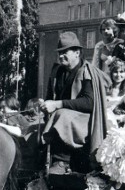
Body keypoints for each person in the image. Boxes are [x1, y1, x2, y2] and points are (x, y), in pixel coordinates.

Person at [41, 31, 109, 174]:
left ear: (77, 52)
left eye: (65, 52)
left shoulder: (87, 72)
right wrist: (45, 104)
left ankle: (62, 161)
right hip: (62, 120)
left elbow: (89, 102)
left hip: (84, 121)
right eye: (60, 52)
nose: (61, 56)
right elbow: (50, 98)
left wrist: (58, 104)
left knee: (62, 114)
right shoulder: (57, 72)